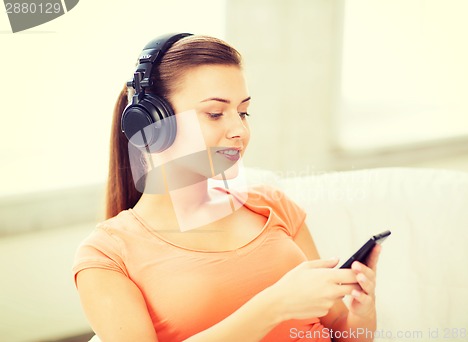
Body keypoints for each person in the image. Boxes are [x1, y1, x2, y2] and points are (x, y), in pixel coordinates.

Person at [72, 33, 382, 342]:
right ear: (151, 124)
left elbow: (342, 330)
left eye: (243, 112)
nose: (240, 130)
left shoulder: (272, 205)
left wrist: (362, 314)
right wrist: (274, 306)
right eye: (215, 113)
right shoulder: (107, 256)